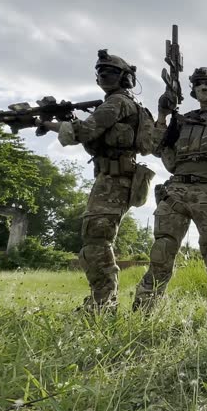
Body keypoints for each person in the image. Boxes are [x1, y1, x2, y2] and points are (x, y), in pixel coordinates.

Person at [40, 49, 155, 313]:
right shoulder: (123, 104)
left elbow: (85, 131)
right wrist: (65, 119)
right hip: (112, 177)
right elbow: (94, 137)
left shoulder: (116, 103)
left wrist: (46, 124)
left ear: (125, 78)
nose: (105, 76)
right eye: (101, 72)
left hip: (116, 179)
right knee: (96, 237)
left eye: (112, 72)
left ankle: (103, 303)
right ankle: (103, 300)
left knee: (96, 239)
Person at [132, 67, 207, 316]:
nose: (203, 88)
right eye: (198, 84)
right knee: (161, 250)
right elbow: (154, 147)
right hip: (177, 189)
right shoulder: (182, 120)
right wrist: (162, 114)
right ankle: (144, 308)